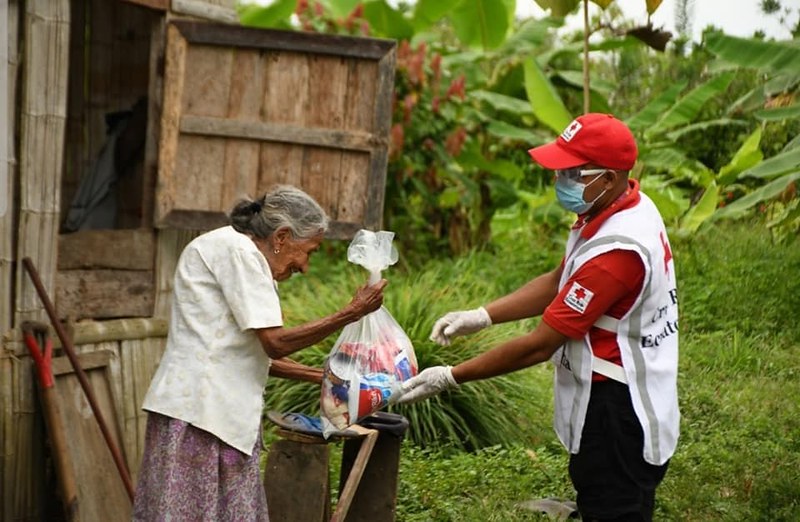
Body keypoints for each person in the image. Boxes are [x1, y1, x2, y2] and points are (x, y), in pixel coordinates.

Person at [395, 113, 679, 522]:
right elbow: (558, 280)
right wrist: (482, 315)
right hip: (618, 392)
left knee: (614, 503)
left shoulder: (617, 252)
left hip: (618, 410)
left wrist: (451, 375)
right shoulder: (622, 206)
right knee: (603, 498)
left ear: (611, 177)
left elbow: (540, 344)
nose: (561, 179)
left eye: (574, 172)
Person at [132, 185, 387, 521]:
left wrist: (325, 378)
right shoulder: (239, 253)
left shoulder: (243, 255)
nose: (306, 266)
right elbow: (275, 343)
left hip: (211, 415)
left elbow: (247, 352)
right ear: (281, 236)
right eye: (308, 251)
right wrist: (350, 313)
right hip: (200, 416)